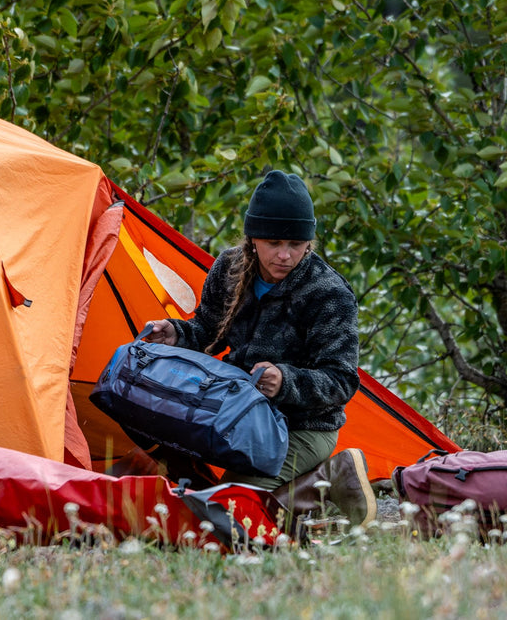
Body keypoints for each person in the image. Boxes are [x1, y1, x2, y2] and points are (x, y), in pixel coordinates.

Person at [143, 169, 377, 527]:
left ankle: (328, 479)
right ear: (253, 239)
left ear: (308, 243)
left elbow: (341, 381)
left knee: (226, 512)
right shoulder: (230, 268)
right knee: (155, 440)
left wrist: (285, 381)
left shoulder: (328, 294)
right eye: (273, 244)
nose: (284, 255)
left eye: (295, 245)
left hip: (303, 427)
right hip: (237, 415)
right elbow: (208, 328)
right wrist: (175, 333)